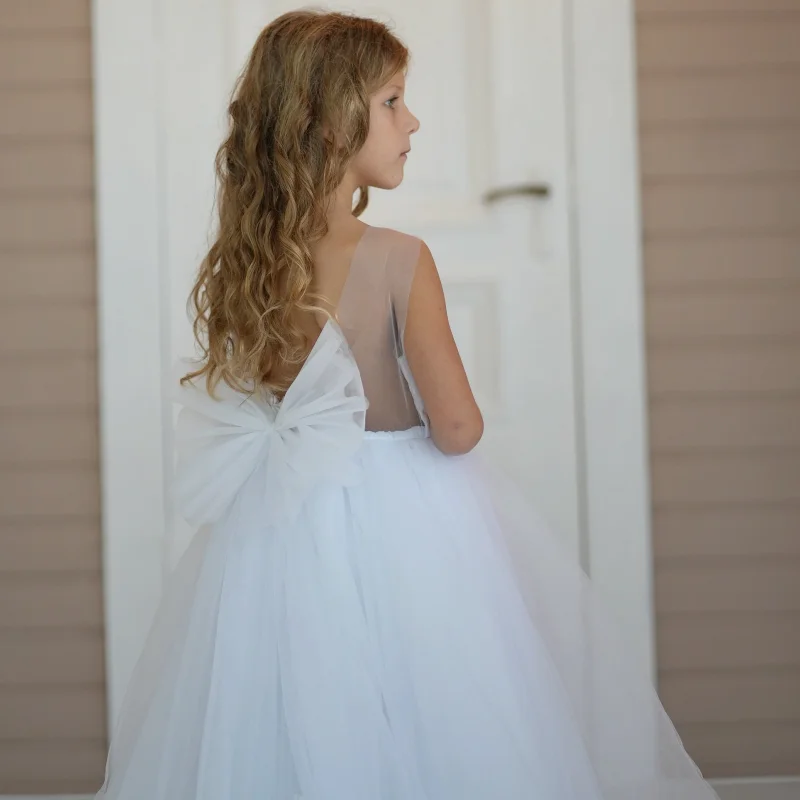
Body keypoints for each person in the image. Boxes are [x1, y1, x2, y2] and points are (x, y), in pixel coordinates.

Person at [96, 10, 720, 799]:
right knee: (433, 705)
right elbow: (457, 428)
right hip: (403, 525)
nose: (411, 120)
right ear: (327, 124)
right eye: (392, 101)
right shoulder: (398, 259)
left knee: (291, 708)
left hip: (277, 534)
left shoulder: (244, 264)